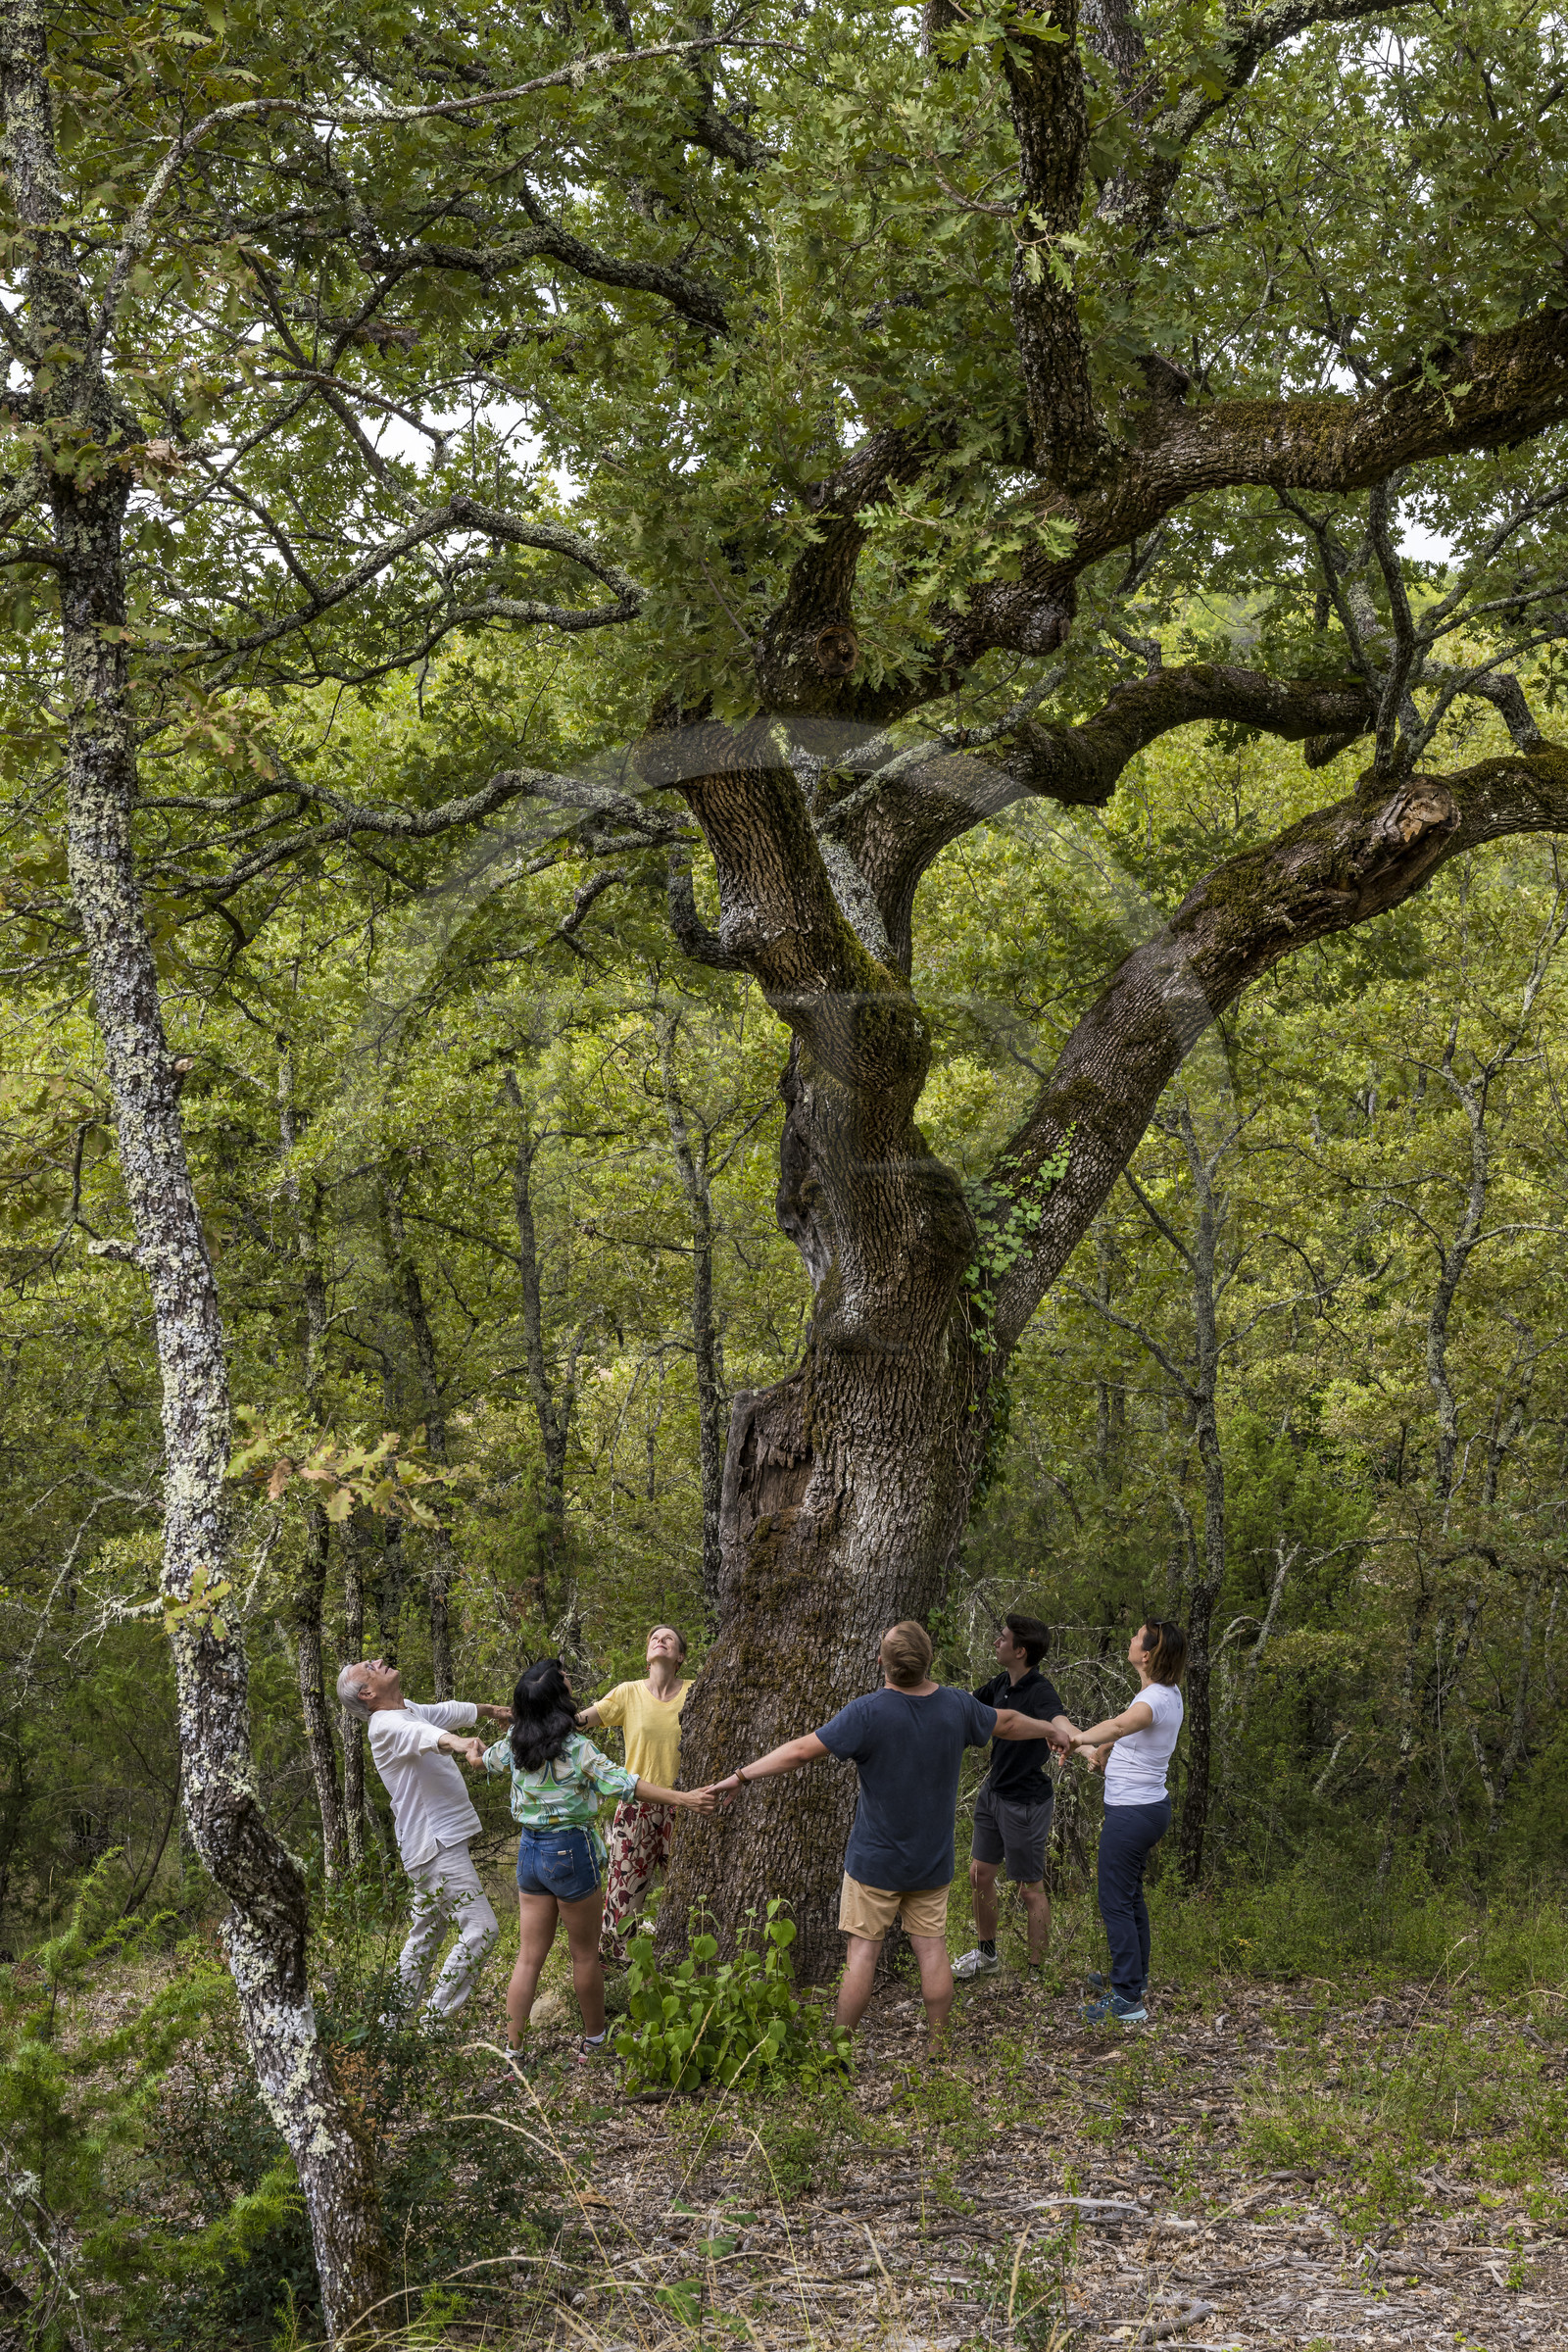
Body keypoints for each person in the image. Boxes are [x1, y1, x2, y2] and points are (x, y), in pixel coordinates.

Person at [710, 1619, 1069, 2040]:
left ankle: (839, 2050)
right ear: (928, 1660)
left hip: (874, 1864)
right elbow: (1006, 1723)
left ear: (882, 1662)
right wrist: (1051, 1730)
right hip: (931, 1862)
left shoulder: (867, 1712)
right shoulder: (956, 1705)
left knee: (862, 1954)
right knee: (932, 1949)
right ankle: (937, 2047)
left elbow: (802, 1751)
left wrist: (741, 1775)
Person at [482, 1656, 717, 2069]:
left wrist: (463, 1745)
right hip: (571, 1851)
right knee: (585, 1955)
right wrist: (682, 1798)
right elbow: (626, 1784)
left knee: (528, 1957)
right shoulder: (577, 1749)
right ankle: (594, 2040)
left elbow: (484, 1760)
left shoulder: (515, 1743)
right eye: (565, 1679)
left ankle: (513, 2052)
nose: (570, 1680)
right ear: (560, 1697)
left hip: (529, 1851)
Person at [337, 1655, 512, 2024]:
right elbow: (427, 1736)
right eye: (370, 1667)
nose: (379, 1660)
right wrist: (460, 1743)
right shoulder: (385, 1725)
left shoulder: (407, 1710)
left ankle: (390, 2027)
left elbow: (446, 1712)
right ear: (367, 1693)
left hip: (429, 1845)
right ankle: (434, 2022)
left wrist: (493, 1710)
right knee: (481, 1929)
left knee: (425, 1937)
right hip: (435, 1844)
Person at [1068, 1617, 1188, 2027]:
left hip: (1133, 1813)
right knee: (1130, 1897)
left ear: (1148, 1655)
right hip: (1144, 1809)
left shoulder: (1153, 1699)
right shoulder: (1164, 1694)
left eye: (1137, 1637)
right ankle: (1134, 1978)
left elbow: (1123, 1723)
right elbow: (1133, 1730)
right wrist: (1107, 1748)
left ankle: (1126, 1999)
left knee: (1115, 1901)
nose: (1131, 1639)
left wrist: (1079, 1738)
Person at [954, 1612, 1075, 1982]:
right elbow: (966, 1705)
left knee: (1029, 1888)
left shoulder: (1040, 1690)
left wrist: (1074, 1739)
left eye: (1003, 1638)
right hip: (993, 1791)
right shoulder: (1001, 1682)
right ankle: (987, 1955)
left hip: (1025, 1800)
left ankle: (1037, 1972)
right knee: (979, 1874)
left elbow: (1059, 1721)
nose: (997, 1642)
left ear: (1020, 1651)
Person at [575, 1624, 690, 1960]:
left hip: (685, 1805)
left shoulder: (696, 1691)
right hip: (636, 1804)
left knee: (687, 1891)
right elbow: (581, 1721)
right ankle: (616, 1965)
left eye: (669, 1638)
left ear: (680, 1656)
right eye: (654, 1637)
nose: (660, 1640)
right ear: (647, 1655)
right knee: (622, 1895)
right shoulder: (628, 1693)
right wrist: (538, 1718)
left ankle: (684, 1962)